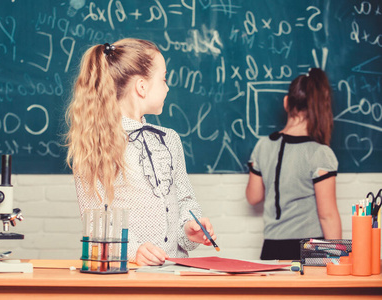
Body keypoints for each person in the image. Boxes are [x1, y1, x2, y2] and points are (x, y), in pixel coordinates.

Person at [65, 38, 216, 265]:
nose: (167, 87)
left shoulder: (169, 140)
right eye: (164, 79)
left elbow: (185, 200)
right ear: (142, 87)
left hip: (175, 274)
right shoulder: (96, 143)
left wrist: (189, 228)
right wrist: (133, 251)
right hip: (129, 277)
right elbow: (95, 220)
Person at [245, 68, 342, 260]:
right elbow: (327, 216)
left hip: (271, 246)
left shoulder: (263, 145)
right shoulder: (320, 153)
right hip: (311, 248)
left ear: (286, 103)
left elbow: (253, 197)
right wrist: (339, 260)